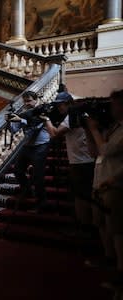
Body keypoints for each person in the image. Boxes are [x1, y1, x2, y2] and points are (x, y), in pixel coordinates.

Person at [44, 92, 96, 239]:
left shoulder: (72, 117)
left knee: (81, 197)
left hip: (81, 163)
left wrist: (46, 119)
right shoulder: (80, 115)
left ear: (69, 103)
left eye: (61, 105)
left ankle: (84, 229)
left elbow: (54, 134)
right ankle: (85, 227)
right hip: (82, 161)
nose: (59, 108)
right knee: (80, 196)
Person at [87, 90, 123, 287]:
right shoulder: (114, 128)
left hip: (115, 186)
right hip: (100, 180)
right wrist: (89, 131)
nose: (111, 108)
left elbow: (107, 150)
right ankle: (109, 261)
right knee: (102, 225)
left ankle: (120, 273)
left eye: (114, 104)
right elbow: (95, 152)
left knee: (117, 231)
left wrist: (93, 130)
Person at [6, 91, 51, 213]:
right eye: (25, 101)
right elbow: (14, 130)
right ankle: (28, 191)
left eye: (29, 101)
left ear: (36, 100)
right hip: (28, 145)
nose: (27, 104)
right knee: (18, 170)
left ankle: (42, 204)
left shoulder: (42, 110)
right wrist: (10, 121)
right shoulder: (24, 114)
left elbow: (35, 126)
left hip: (41, 145)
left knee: (38, 176)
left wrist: (21, 119)